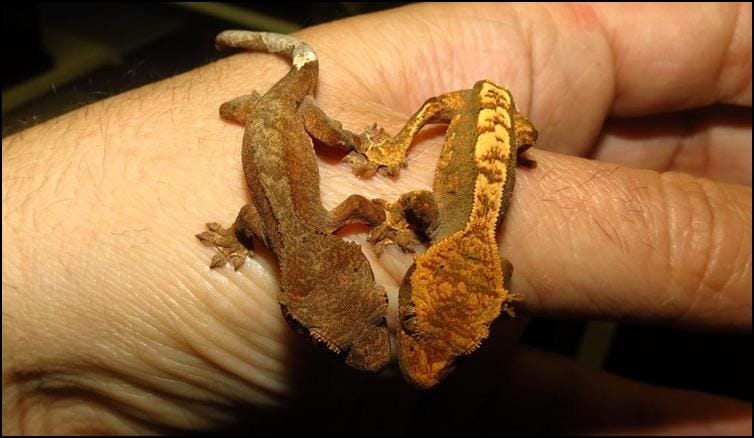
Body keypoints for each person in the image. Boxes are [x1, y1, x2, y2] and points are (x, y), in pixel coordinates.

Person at [3, 3, 751, 434]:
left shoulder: (305, 241)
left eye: (374, 321)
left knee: (283, 99)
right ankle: (282, 70)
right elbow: (286, 214)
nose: (386, 337)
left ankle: (285, 69)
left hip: (294, 116)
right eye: (397, 322)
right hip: (278, 116)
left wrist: (372, 171)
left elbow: (342, 209)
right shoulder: (299, 242)